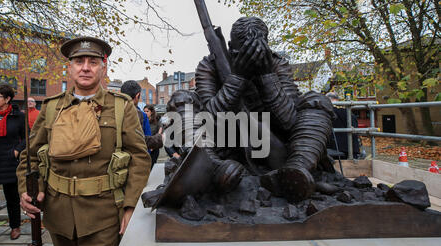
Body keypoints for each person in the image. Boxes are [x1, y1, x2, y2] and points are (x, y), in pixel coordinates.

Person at [16, 36, 151, 246]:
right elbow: (29, 157)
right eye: (79, 61)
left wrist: (130, 206)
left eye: (93, 62)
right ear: (70, 67)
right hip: (59, 218)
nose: (86, 67)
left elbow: (139, 158)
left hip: (104, 218)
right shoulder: (50, 107)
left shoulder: (121, 106)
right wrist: (27, 191)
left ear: (103, 67)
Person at [194, 17, 335, 202]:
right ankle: (215, 168)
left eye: (256, 53)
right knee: (184, 101)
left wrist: (266, 75)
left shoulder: (276, 64)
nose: (250, 60)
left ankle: (297, 170)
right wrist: (237, 78)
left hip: (279, 140)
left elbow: (290, 122)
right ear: (229, 46)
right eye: (242, 54)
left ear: (266, 46)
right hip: (229, 144)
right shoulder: (209, 65)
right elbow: (208, 120)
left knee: (318, 101)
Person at [0, 84, 26, 240]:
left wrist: (17, 150)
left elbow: (28, 137)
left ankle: (15, 226)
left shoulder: (18, 116)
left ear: (8, 99)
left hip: (9, 162)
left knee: (12, 198)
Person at [120, 80, 163, 164]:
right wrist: (159, 138)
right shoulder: (142, 115)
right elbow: (145, 142)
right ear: (138, 95)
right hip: (135, 161)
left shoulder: (110, 111)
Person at [326, 92, 360, 159]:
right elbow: (355, 128)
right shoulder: (347, 112)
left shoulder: (324, 113)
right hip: (350, 150)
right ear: (337, 100)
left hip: (331, 150)